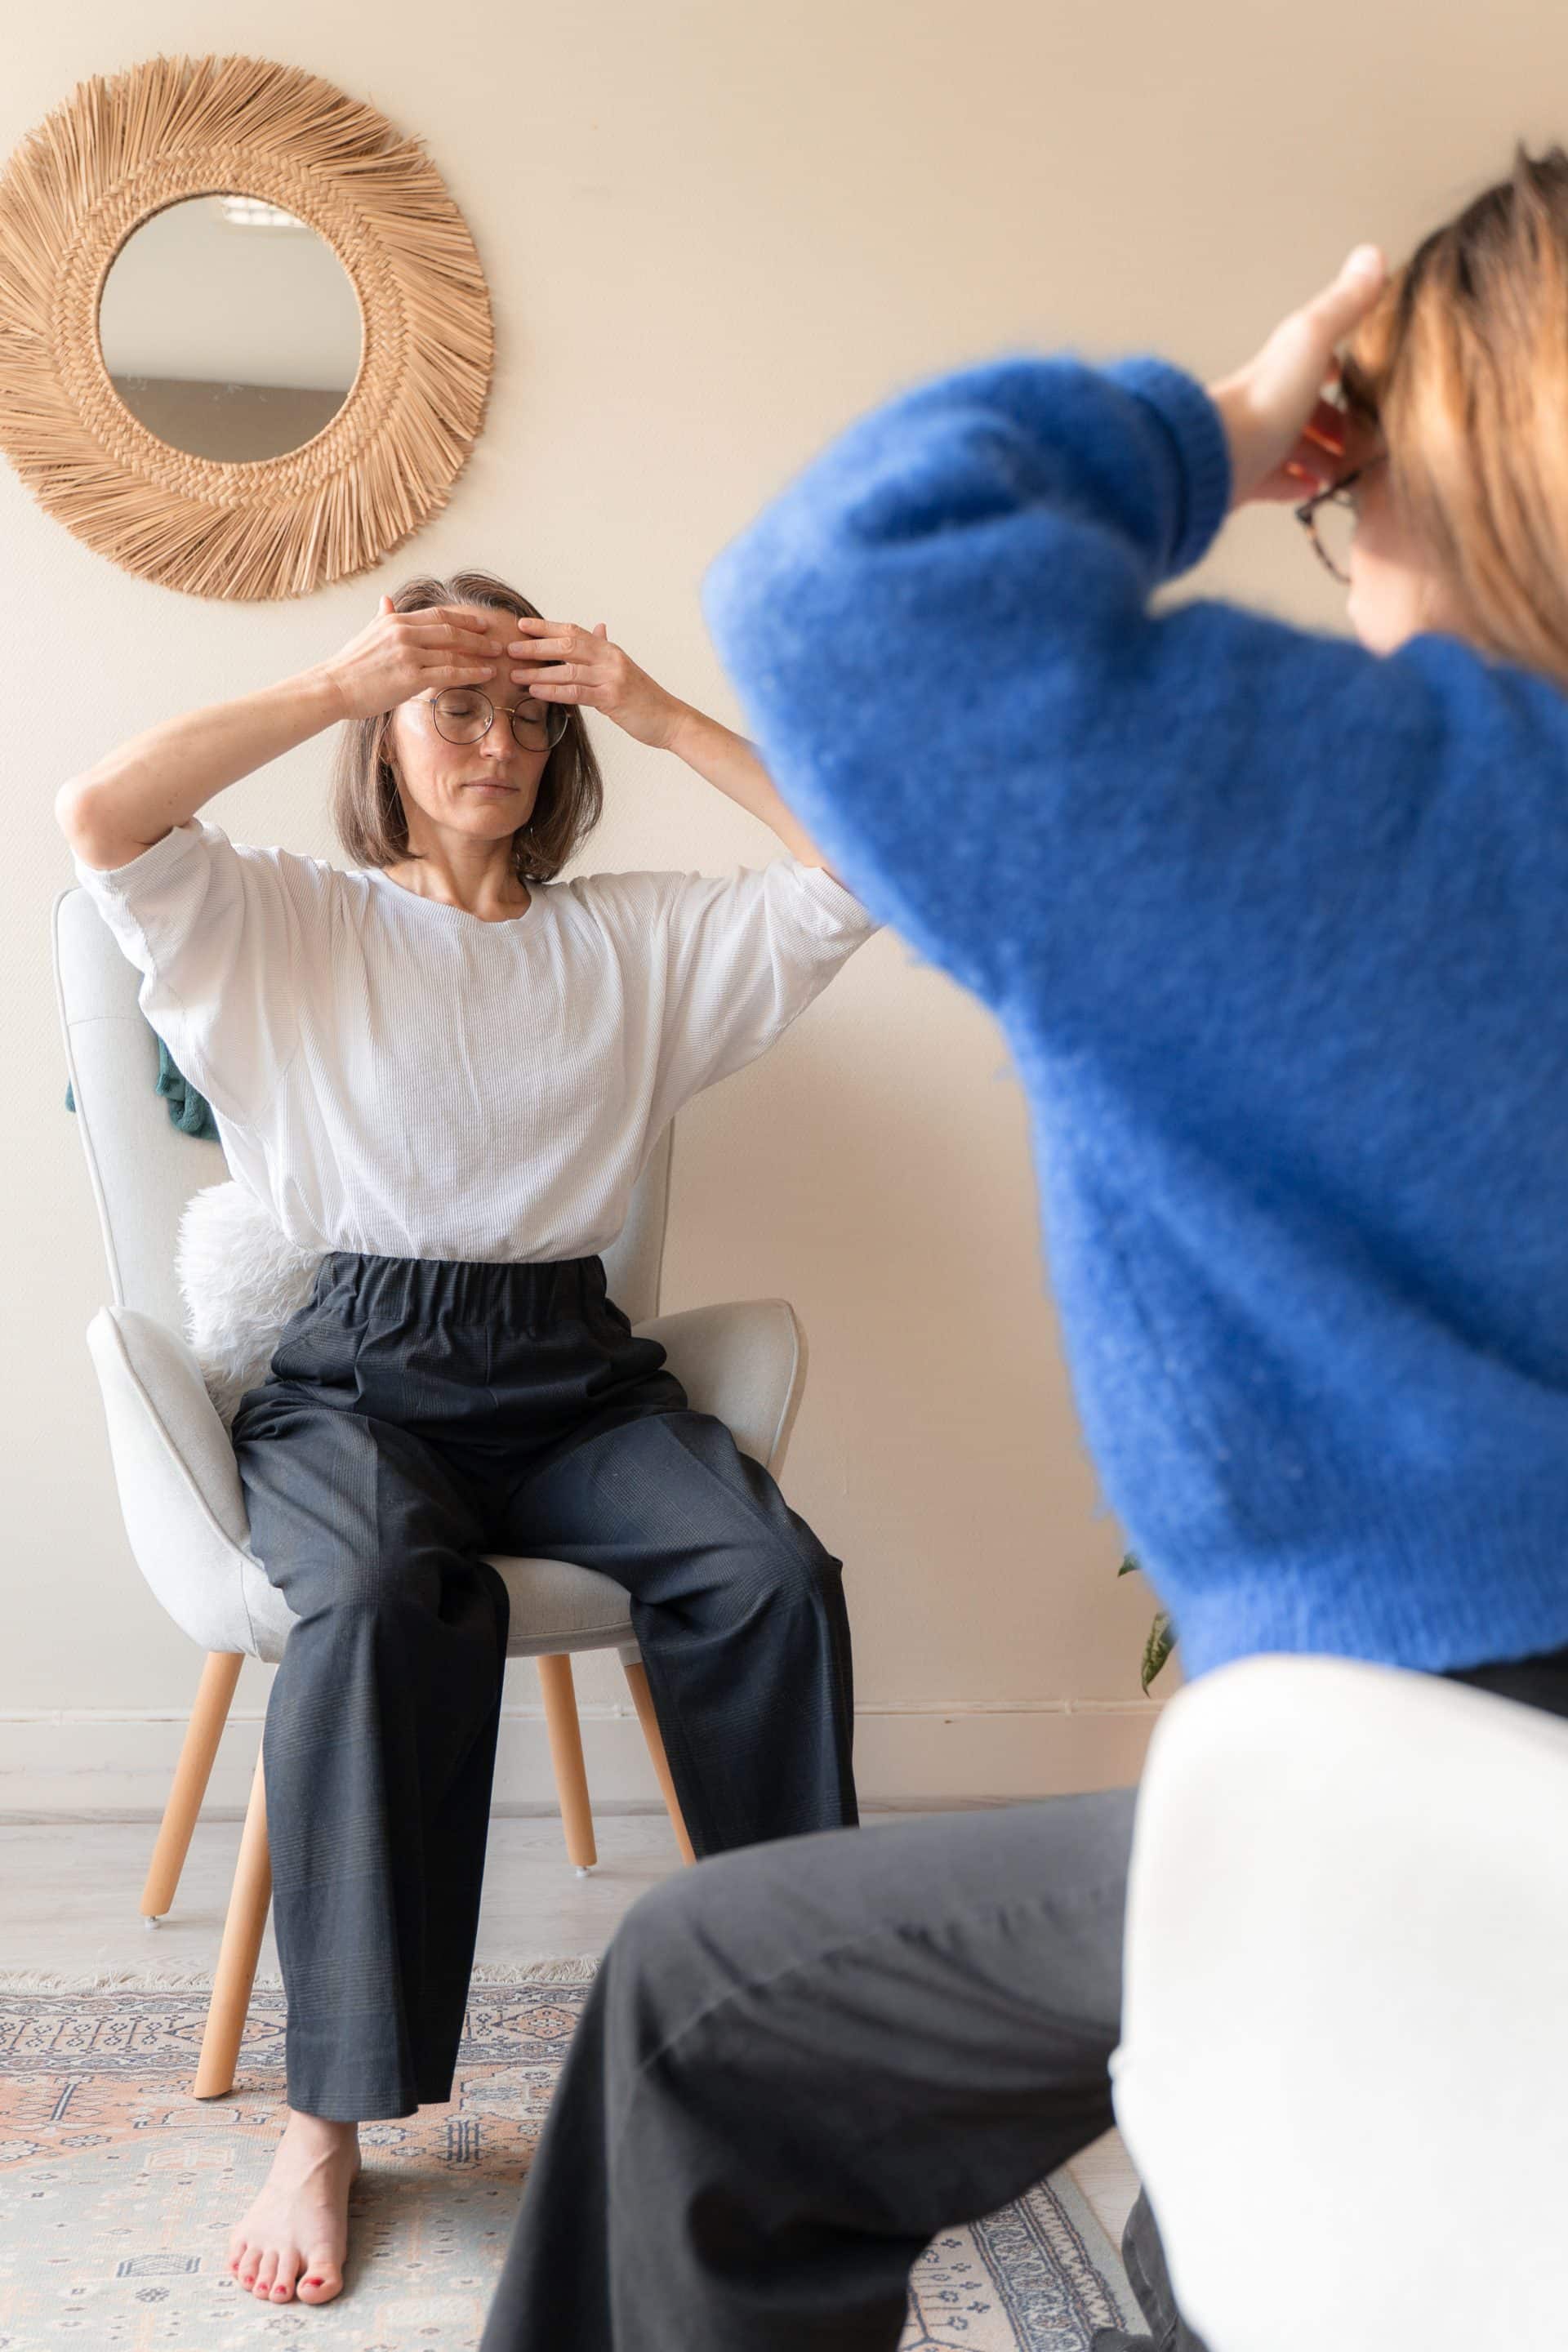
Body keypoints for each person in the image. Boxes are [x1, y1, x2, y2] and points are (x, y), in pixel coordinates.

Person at [479, 144, 1568, 2352]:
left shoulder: (1392, 805)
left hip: (1438, 1789)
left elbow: (847, 593)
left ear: (1460, 472)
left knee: (704, 2008)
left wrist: (1231, 420)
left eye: (1367, 505)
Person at [55, 569, 881, 2309]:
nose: (497, 741)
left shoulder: (633, 941)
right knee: (370, 1600)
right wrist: (336, 675)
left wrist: (655, 707)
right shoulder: (282, 920)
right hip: (358, 1370)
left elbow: (868, 862)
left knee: (767, 1576)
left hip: (575, 1372)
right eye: (454, 704)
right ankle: (327, 2126)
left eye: (527, 712)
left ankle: (791, 2054)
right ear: (390, 731)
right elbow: (101, 812)